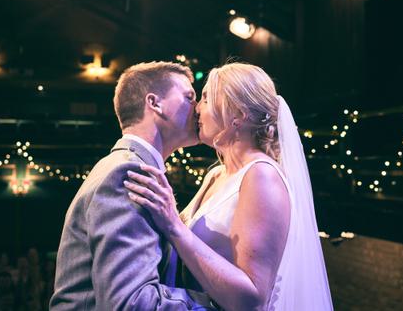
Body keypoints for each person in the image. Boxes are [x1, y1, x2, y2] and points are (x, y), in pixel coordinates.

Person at [125, 63, 334, 310]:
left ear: (238, 115)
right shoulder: (216, 174)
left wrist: (173, 225)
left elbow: (252, 299)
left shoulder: (261, 176)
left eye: (204, 98)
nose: (196, 108)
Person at [50, 61, 216, 310]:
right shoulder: (127, 172)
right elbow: (131, 303)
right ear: (154, 103)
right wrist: (221, 303)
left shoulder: (128, 165)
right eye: (189, 97)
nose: (198, 108)